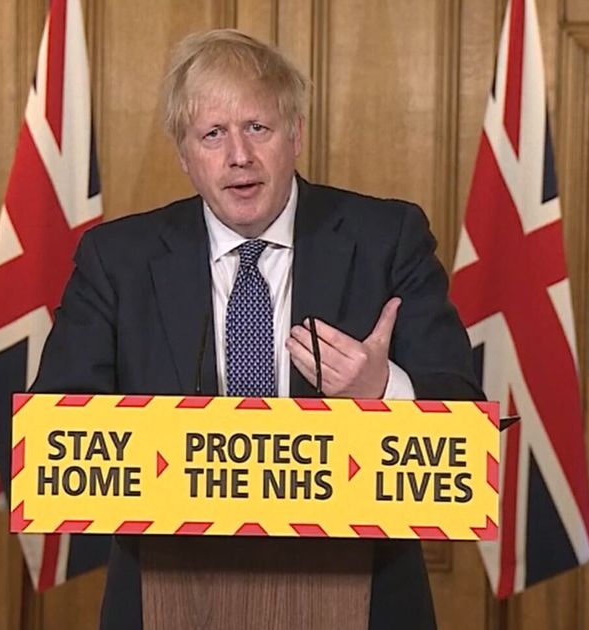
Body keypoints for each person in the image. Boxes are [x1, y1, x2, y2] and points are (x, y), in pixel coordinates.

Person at [31, 28, 482, 630]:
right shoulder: (118, 259)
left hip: (361, 591)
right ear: (184, 156)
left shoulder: (386, 240)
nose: (238, 155)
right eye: (212, 134)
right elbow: (55, 434)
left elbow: (467, 429)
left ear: (294, 135)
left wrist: (382, 393)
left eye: (257, 128)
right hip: (168, 593)